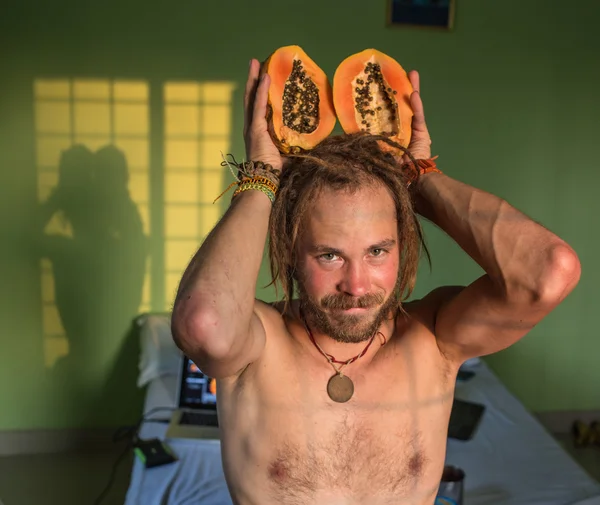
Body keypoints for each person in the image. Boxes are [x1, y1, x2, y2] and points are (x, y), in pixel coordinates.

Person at [171, 59, 581, 505]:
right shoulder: (259, 345)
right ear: (292, 253)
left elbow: (548, 273)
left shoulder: (435, 340)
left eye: (377, 252)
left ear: (401, 247)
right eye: (329, 255)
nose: (356, 283)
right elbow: (203, 323)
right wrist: (262, 178)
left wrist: (420, 176)